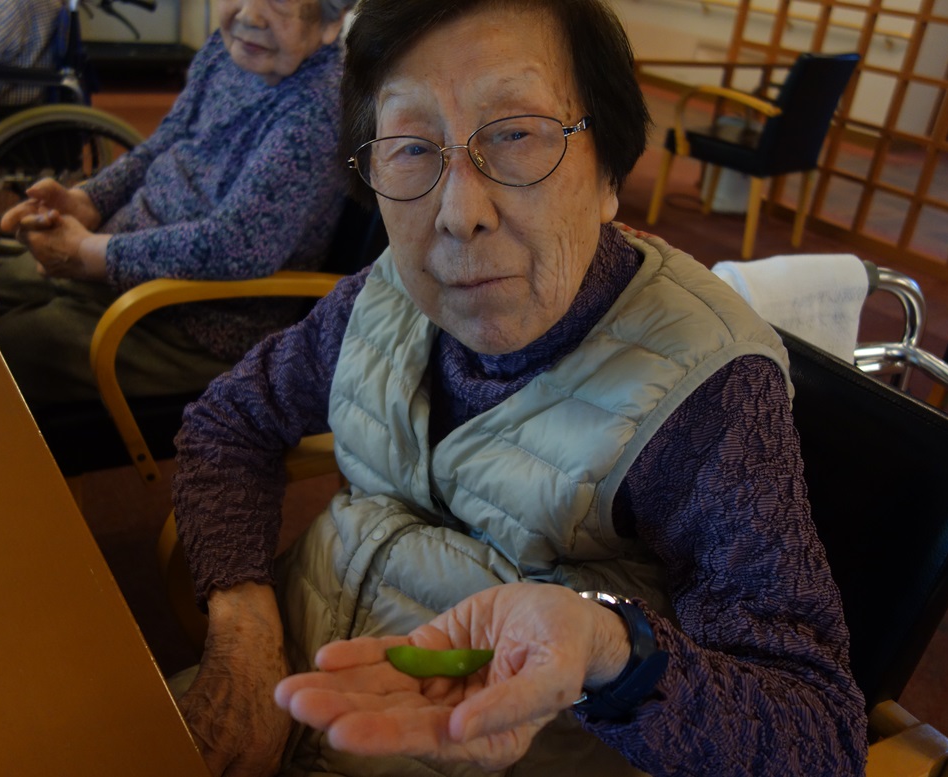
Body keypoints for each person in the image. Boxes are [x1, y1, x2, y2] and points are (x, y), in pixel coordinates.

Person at [170, 0, 869, 775]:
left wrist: (612, 651)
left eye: (514, 134)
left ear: (608, 174)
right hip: (287, 687)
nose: (459, 214)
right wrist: (244, 634)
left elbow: (818, 734)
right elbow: (228, 420)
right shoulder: (383, 292)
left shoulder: (706, 393)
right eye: (411, 149)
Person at [0, 0, 353, 406]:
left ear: (331, 22)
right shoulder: (228, 50)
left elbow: (234, 245)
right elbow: (166, 141)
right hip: (126, 256)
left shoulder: (316, 113)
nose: (249, 16)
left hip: (191, 320)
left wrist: (91, 254)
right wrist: (89, 200)